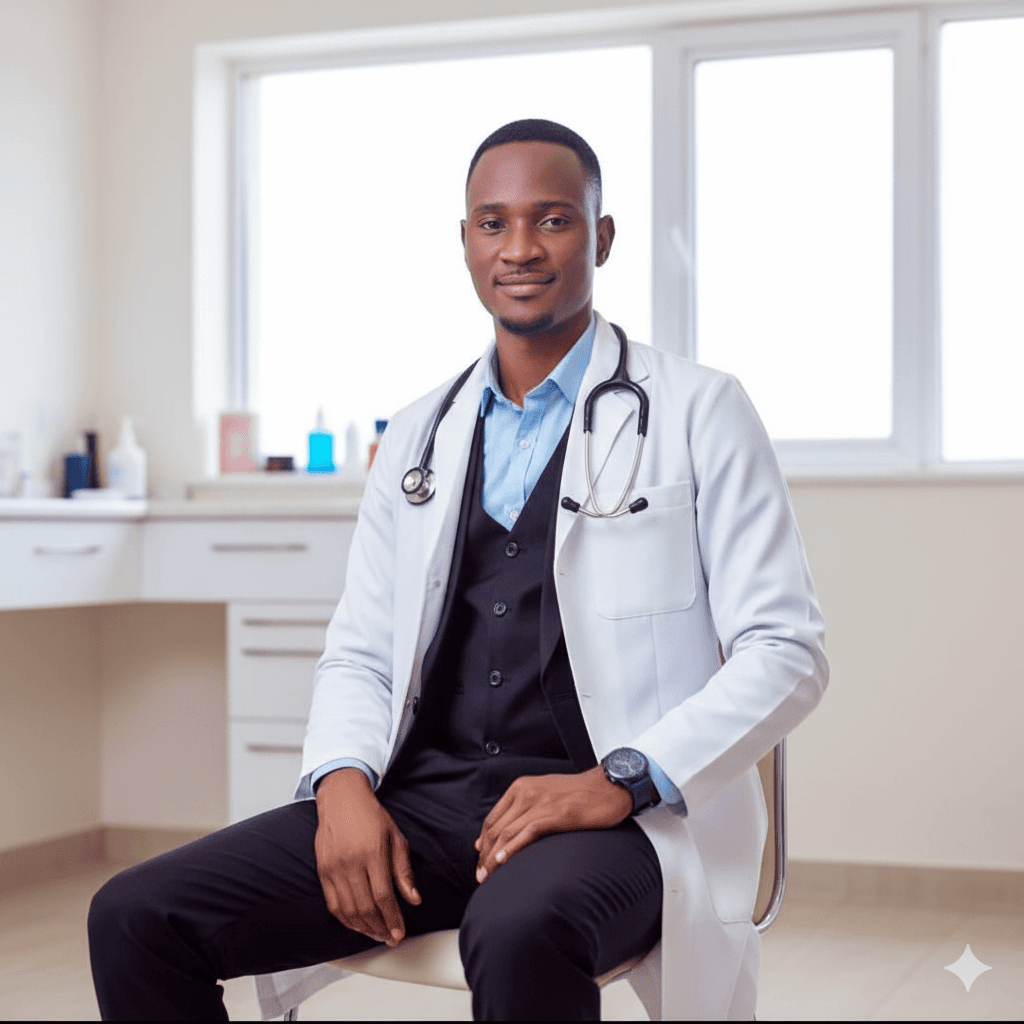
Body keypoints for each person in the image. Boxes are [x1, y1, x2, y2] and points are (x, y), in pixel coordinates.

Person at [88, 119, 828, 1021]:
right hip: (425, 806)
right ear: (466, 242)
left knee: (517, 932)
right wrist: (344, 787)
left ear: (600, 237)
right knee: (135, 915)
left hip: (619, 816)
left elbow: (786, 651)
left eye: (552, 220)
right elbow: (360, 649)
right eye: (492, 223)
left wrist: (621, 779)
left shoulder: (700, 410)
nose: (519, 248)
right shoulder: (416, 432)